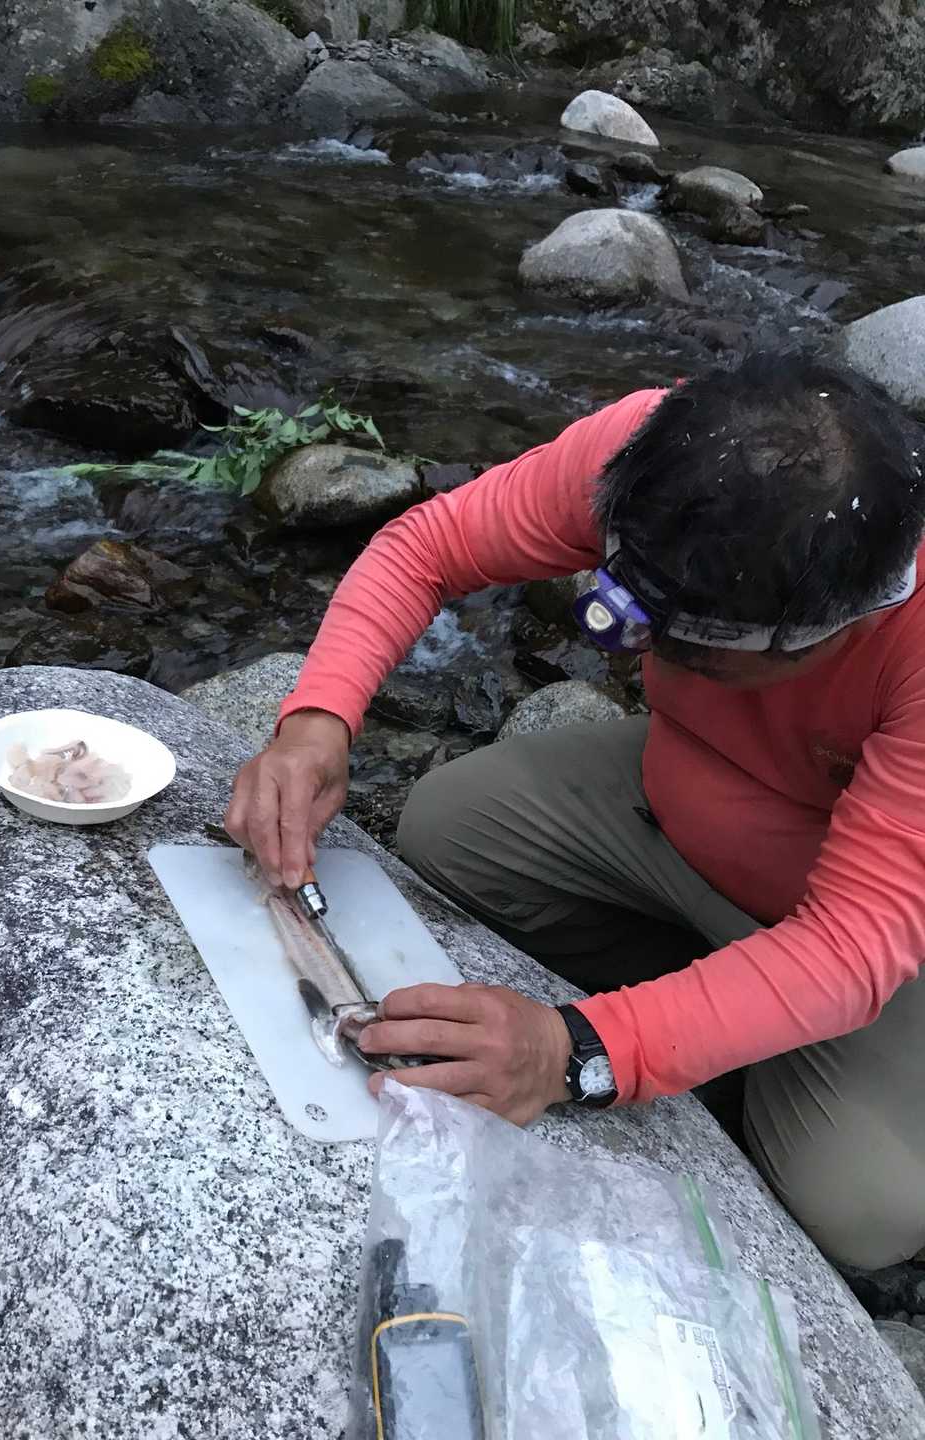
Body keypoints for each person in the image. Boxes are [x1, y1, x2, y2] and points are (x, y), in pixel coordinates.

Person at [226, 350, 925, 1269]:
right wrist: (317, 722)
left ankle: (750, 1024)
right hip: (669, 806)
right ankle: (719, 1005)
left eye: (688, 646)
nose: (642, 648)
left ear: (827, 631)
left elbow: (854, 941)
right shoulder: (662, 461)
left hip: (878, 929)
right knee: (447, 830)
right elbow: (425, 547)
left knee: (859, 1211)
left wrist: (576, 1050)